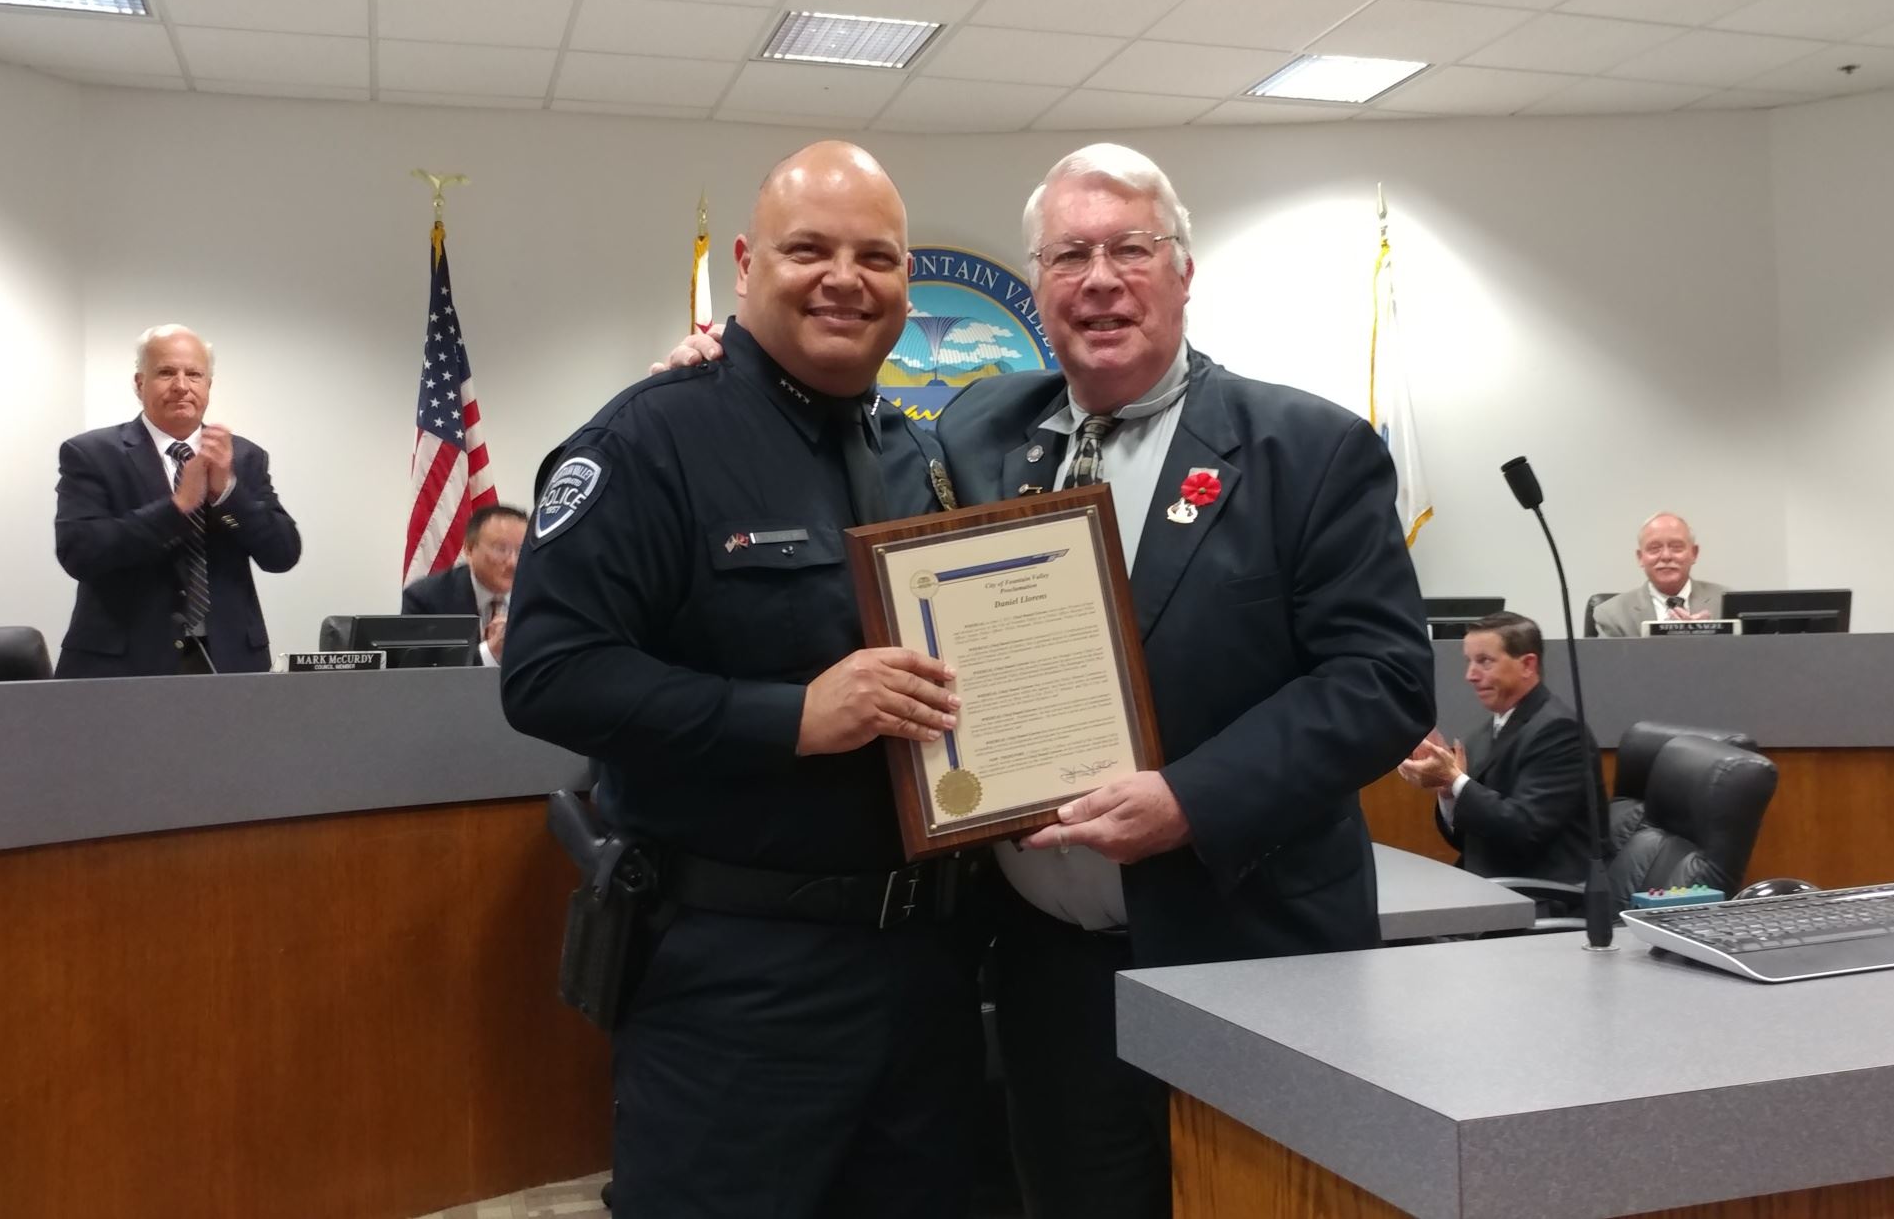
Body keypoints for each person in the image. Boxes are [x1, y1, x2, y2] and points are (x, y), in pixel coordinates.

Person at [656, 142, 1434, 1219]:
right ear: (1038, 284)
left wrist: (1188, 801)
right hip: (1047, 971)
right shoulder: (977, 430)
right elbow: (824, 426)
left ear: (1183, 270)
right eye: (1069, 254)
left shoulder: (1307, 449)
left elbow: (1385, 679)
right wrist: (724, 373)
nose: (1100, 277)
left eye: (1131, 248)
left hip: (1252, 952)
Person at [501, 142, 984, 1219]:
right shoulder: (648, 441)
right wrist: (791, 717)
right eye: (809, 249)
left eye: (878, 255)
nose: (844, 278)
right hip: (740, 978)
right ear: (745, 264)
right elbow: (548, 674)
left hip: (929, 970)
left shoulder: (926, 458)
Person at [53, 325, 301, 677]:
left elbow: (282, 554)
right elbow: (79, 553)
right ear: (140, 384)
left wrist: (228, 493)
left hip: (228, 661)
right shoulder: (91, 454)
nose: (181, 386)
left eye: (194, 374)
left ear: (208, 386)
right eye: (166, 372)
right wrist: (177, 507)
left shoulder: (245, 457)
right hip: (122, 665)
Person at [1399, 611, 1598, 886]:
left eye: (1485, 662)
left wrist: (1454, 780)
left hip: (1544, 895)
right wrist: (1446, 791)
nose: (1470, 675)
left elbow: (1526, 830)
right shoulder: (1486, 733)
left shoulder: (1561, 732)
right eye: (1469, 662)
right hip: (1490, 885)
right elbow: (1468, 839)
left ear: (1528, 665)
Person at [400, 502, 525, 665]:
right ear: (469, 549)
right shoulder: (426, 598)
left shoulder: (541, 596)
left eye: (522, 550)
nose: (513, 563)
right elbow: (418, 675)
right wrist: (490, 653)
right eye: (501, 549)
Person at [1590, 512, 1729, 636]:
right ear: (1640, 557)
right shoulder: (1613, 615)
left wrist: (1707, 638)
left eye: (1676, 547)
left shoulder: (1725, 602)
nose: (1666, 556)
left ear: (1694, 553)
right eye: (1654, 548)